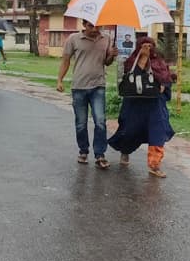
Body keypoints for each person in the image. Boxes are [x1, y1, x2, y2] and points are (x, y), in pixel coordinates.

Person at [107, 37, 174, 178]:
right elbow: (131, 77)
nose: (148, 48)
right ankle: (125, 151)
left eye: (150, 46)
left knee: (157, 133)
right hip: (135, 105)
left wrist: (164, 85)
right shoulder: (132, 61)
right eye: (144, 46)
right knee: (130, 131)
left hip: (155, 105)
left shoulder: (159, 61)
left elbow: (166, 77)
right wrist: (143, 58)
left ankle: (154, 165)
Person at [56, 19, 119, 169]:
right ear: (84, 25)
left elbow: (106, 62)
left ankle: (100, 154)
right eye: (91, 26)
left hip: (98, 86)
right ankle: (83, 151)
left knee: (100, 121)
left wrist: (112, 55)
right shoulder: (73, 39)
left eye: (98, 26)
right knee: (80, 123)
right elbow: (66, 61)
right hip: (79, 86)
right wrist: (59, 80)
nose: (95, 29)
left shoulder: (106, 39)